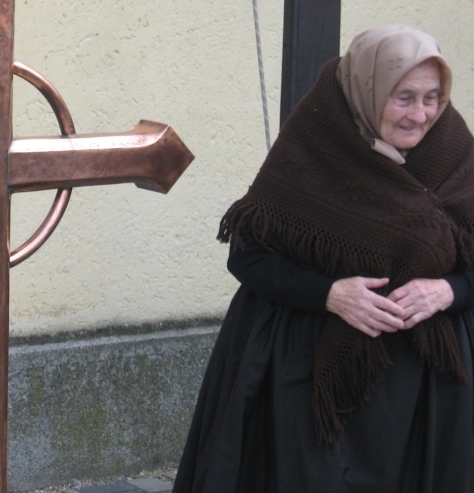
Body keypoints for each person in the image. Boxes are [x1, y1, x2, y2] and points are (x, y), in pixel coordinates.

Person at [173, 26, 474, 493]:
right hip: (307, 381)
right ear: (367, 90)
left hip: (428, 390)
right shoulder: (315, 141)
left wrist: (449, 290)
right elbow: (248, 258)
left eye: (432, 98)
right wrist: (330, 293)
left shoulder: (454, 152)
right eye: (404, 98)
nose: (421, 115)